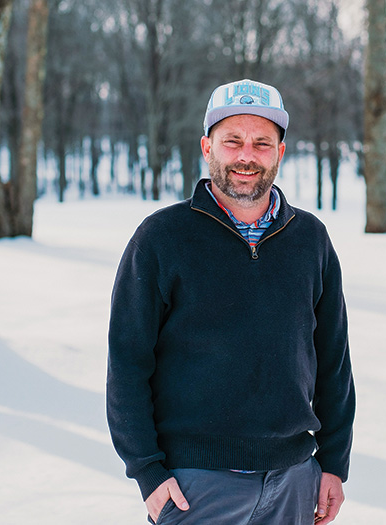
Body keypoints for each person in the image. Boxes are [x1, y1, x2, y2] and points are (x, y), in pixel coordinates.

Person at [107, 78, 355, 525]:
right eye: (232, 141)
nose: (247, 156)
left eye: (262, 143)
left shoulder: (310, 239)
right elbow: (127, 362)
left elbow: (333, 361)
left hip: (294, 481)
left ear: (280, 152)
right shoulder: (162, 238)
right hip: (194, 487)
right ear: (207, 147)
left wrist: (334, 462)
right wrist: (147, 471)